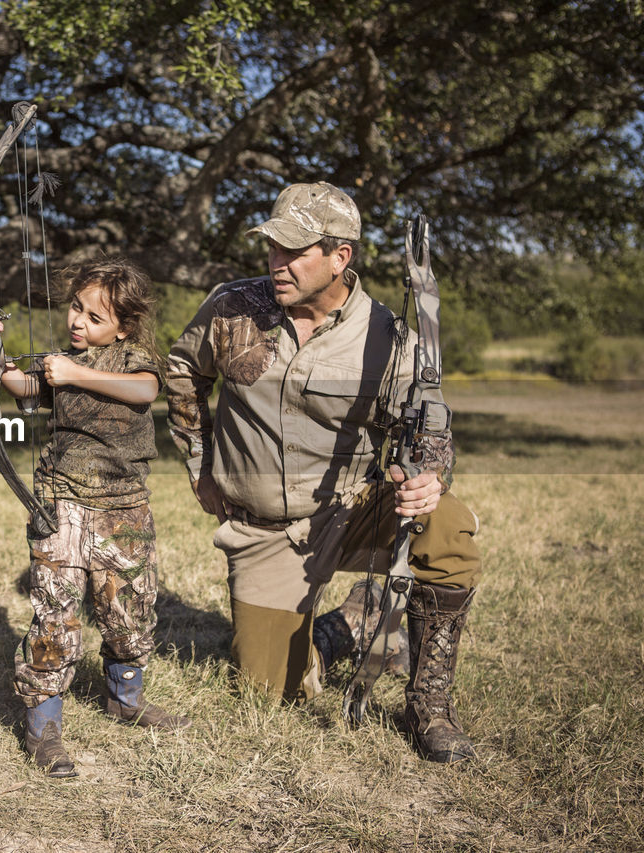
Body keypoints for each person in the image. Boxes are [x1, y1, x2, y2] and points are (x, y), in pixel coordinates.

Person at [164, 182, 482, 764]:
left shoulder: (390, 338)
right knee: (268, 694)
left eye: (294, 251)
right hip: (265, 529)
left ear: (341, 257)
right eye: (272, 249)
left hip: (355, 508)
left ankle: (429, 707)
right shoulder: (231, 307)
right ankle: (348, 626)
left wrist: (429, 473)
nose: (277, 264)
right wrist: (199, 462)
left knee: (447, 526)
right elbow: (183, 370)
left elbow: (432, 421)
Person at [0, 257, 191, 778]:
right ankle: (43, 727)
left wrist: (77, 372)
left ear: (123, 326)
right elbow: (26, 388)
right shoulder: (59, 361)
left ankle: (125, 699)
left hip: (123, 507)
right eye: (75, 307)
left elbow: (146, 390)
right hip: (60, 504)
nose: (77, 322)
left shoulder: (132, 358)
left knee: (128, 611)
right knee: (56, 614)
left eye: (94, 317)